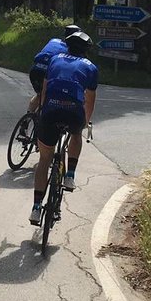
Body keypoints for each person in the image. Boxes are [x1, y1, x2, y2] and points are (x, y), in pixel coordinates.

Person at [29, 30, 98, 226]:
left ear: (68, 46)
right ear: (86, 50)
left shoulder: (54, 59)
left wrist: (42, 112)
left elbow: (44, 90)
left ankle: (35, 208)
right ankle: (70, 176)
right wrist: (85, 122)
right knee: (75, 135)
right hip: (73, 113)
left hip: (50, 111)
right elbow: (90, 101)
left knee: (44, 160)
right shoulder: (91, 67)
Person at [26, 25, 81, 115]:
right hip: (47, 73)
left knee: (39, 95)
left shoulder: (53, 40)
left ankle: (28, 117)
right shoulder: (70, 50)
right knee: (50, 98)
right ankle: (41, 119)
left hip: (35, 70)